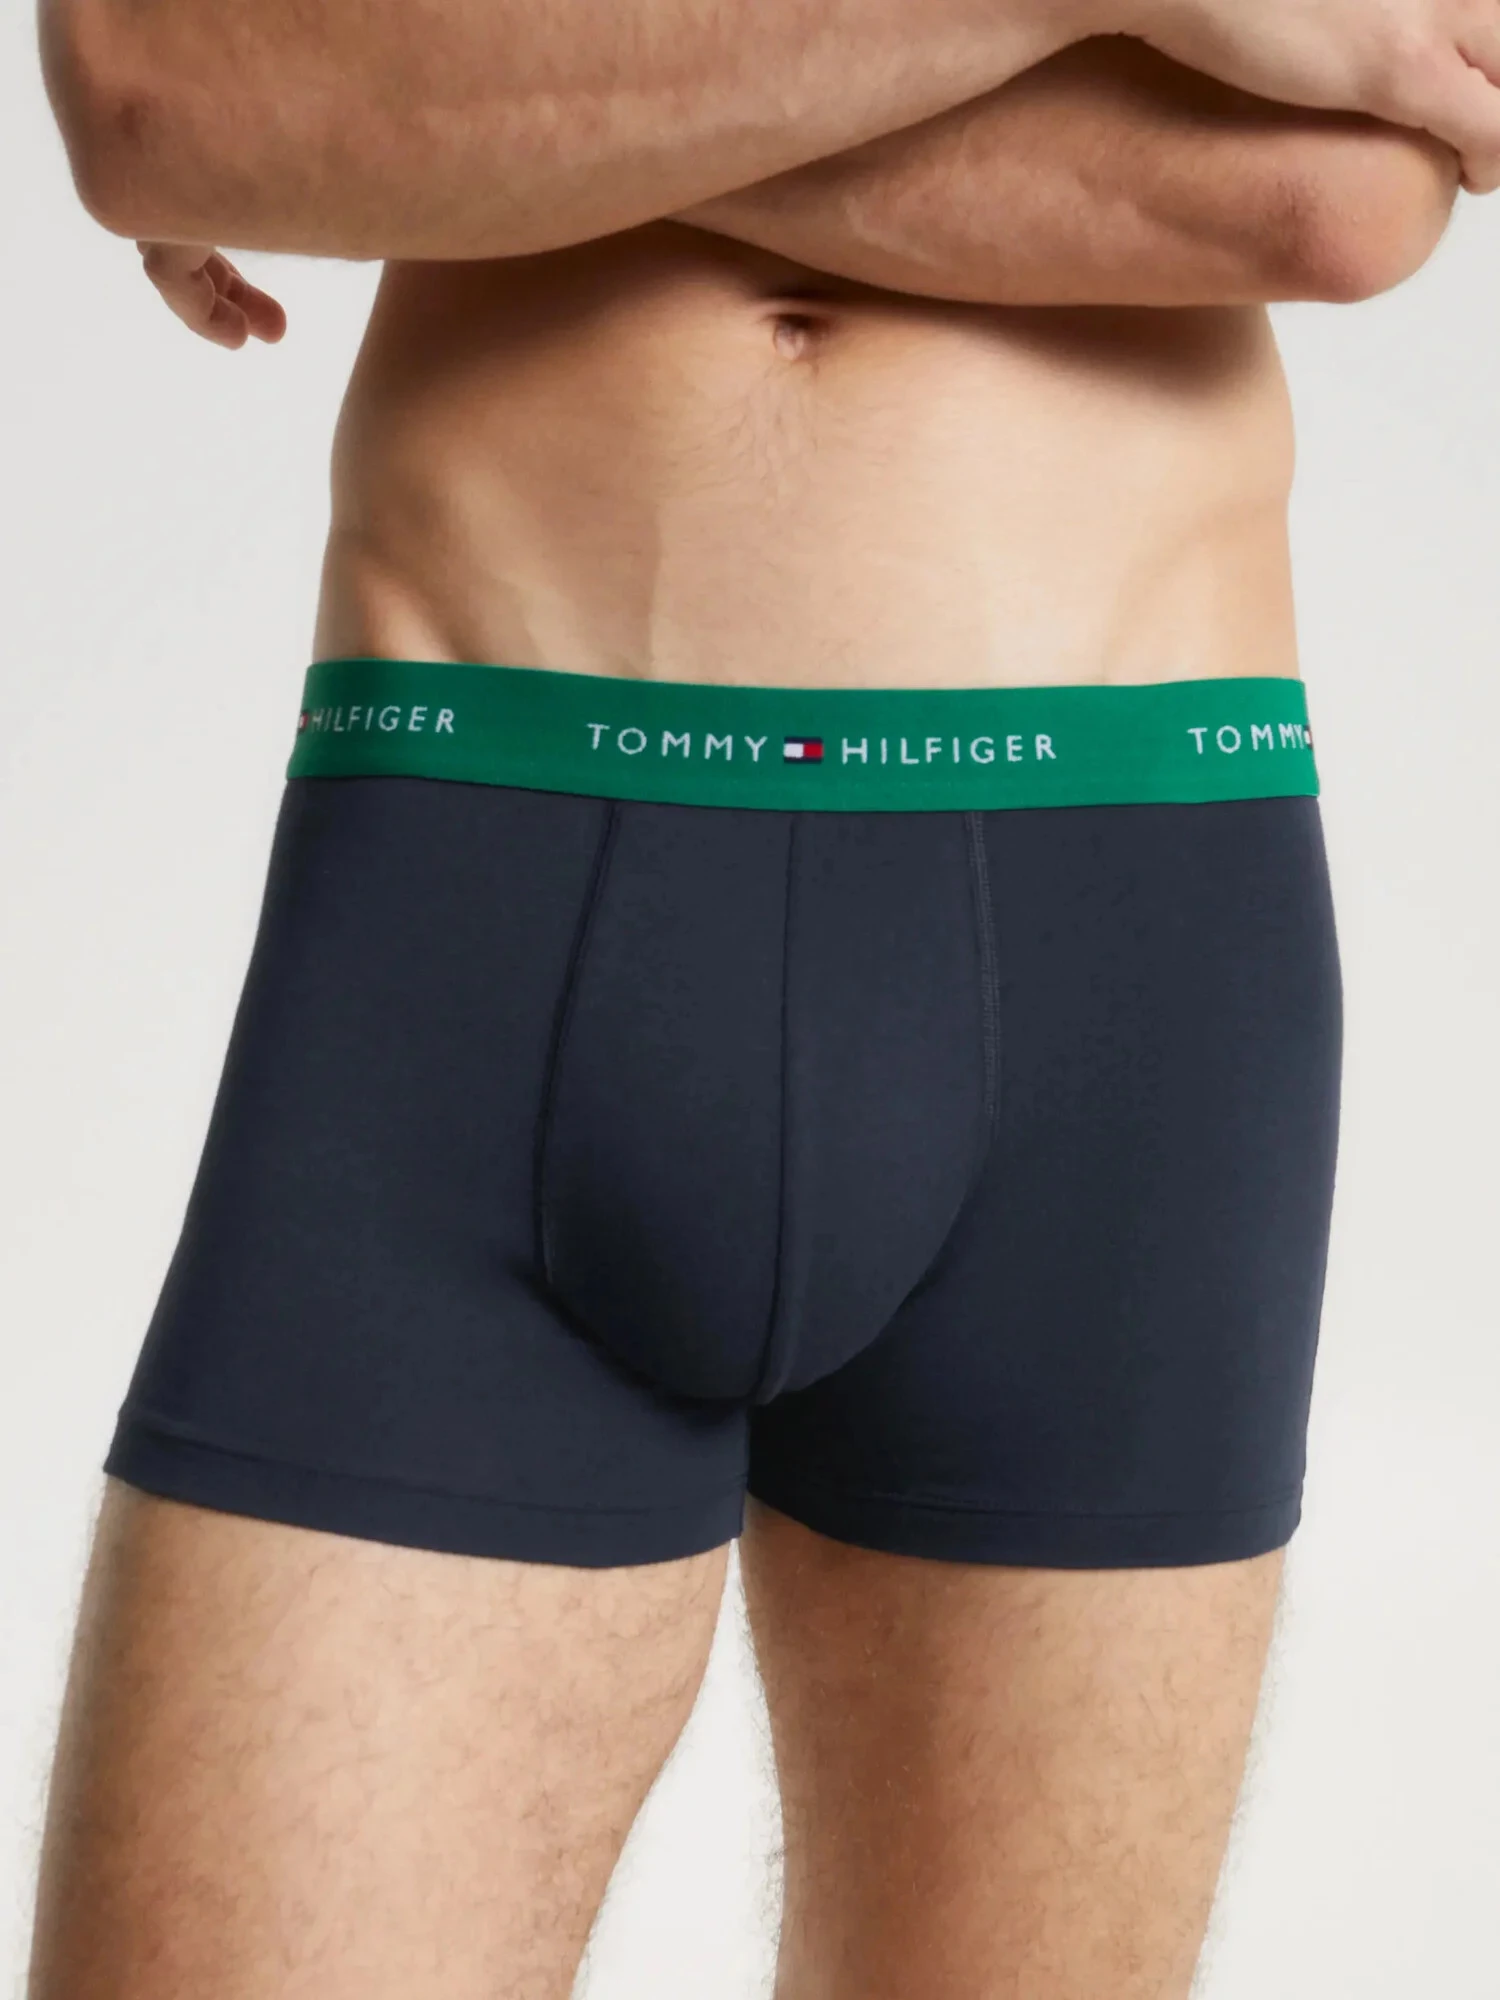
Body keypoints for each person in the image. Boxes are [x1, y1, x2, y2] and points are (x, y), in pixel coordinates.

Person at [28, 0, 1492, 1994]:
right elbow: (167, 91)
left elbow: (1345, 185)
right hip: (474, 903)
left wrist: (461, 115)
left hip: (1113, 936)